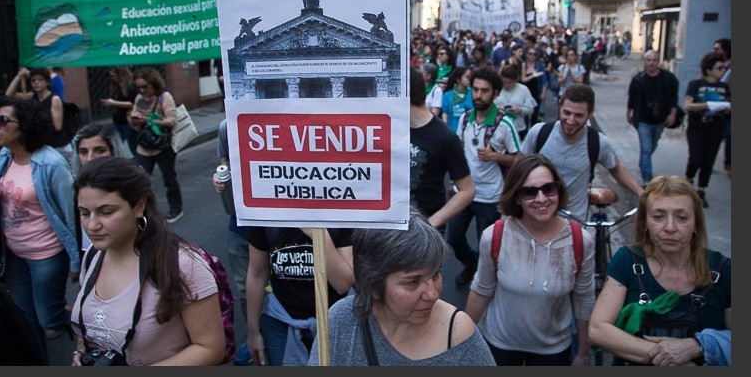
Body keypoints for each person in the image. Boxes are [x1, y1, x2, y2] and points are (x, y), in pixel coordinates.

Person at [70, 156, 224, 366]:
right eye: (84, 213)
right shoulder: (93, 256)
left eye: (106, 212)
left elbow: (210, 348)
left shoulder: (182, 264)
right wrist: (83, 352)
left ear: (139, 206)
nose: (92, 225)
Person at [308, 207, 496, 366]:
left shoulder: (457, 334)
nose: (432, 294)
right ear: (372, 284)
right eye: (413, 281)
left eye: (435, 273)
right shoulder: (342, 320)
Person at [465, 154, 596, 366]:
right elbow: (481, 290)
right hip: (500, 344)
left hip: (554, 348)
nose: (541, 199)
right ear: (516, 196)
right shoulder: (495, 236)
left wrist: (583, 352)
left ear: (558, 190)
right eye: (529, 192)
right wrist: (463, 342)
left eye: (549, 189)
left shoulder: (581, 241)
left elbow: (584, 298)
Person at [588, 175, 731, 366]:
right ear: (645, 223)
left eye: (681, 217)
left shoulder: (724, 271)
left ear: (696, 223)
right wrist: (672, 357)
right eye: (658, 217)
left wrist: (698, 346)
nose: (670, 227)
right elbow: (598, 329)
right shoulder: (626, 260)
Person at [0, 96, 80, 364]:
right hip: (13, 253)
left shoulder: (51, 163)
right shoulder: (4, 156)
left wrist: (75, 260)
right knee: (24, 317)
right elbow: (5, 195)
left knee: (50, 319)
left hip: (46, 255)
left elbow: (70, 213)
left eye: (2, 120)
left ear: (24, 125)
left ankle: (88, 325)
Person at [520, 84, 644, 223]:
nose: (571, 120)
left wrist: (641, 193)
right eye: (567, 113)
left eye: (578, 115)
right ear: (560, 106)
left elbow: (616, 169)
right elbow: (518, 168)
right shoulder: (538, 133)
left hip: (574, 224)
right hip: (536, 220)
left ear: (590, 113)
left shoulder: (598, 142)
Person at [447, 67, 521, 287]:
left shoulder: (505, 124)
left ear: (495, 93)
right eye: (475, 90)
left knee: (486, 244)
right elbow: (460, 152)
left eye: (484, 91)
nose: (478, 95)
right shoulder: (465, 118)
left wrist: (495, 156)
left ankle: (483, 283)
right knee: (454, 238)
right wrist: (454, 182)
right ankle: (473, 265)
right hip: (465, 193)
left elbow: (520, 158)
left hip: (490, 196)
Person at [246, 225, 354, 366]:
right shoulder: (266, 216)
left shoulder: (340, 218)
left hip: (333, 322)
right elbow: (257, 274)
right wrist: (253, 332)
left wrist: (320, 237)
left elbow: (343, 284)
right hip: (281, 320)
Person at [409, 67, 475, 234]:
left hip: (423, 234)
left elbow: (467, 190)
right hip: (392, 229)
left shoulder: (445, 137)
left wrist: (431, 224)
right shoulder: (393, 129)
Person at [211, 118, 252, 365]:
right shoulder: (228, 126)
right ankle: (256, 336)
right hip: (241, 227)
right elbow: (224, 163)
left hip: (283, 229)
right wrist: (220, 178)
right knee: (248, 289)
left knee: (284, 284)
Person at [128, 67, 183, 224]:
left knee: (169, 178)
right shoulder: (139, 98)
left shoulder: (164, 97)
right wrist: (134, 119)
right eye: (139, 87)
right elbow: (134, 119)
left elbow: (172, 120)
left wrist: (150, 120)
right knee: (140, 179)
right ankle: (144, 210)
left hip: (163, 145)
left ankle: (176, 207)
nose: (142, 90)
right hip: (144, 146)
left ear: (153, 83)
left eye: (145, 86)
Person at [70, 123, 134, 255]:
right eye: (83, 152)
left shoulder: (130, 183)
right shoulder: (78, 186)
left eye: (99, 150)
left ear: (113, 151)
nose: (90, 158)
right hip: (89, 253)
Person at [683, 51, 731, 209]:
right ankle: (689, 178)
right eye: (719, 68)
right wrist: (707, 105)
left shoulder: (724, 87)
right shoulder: (696, 85)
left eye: (723, 68)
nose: (722, 71)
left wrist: (725, 108)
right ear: (709, 69)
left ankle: (702, 190)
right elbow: (688, 105)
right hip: (697, 127)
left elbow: (729, 106)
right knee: (696, 157)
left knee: (708, 160)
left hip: (715, 128)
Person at [626, 50, 681, 187]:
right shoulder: (638, 80)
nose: (651, 63)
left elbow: (674, 98)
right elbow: (631, 99)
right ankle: (647, 178)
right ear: (644, 62)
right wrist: (629, 113)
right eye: (648, 60)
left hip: (660, 119)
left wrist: (672, 114)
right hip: (643, 119)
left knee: (652, 145)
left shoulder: (668, 79)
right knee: (645, 148)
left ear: (658, 61)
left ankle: (643, 162)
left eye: (654, 60)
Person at [5, 67, 73, 166]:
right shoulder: (32, 97)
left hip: (59, 146)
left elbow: (57, 126)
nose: (36, 83)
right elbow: (9, 95)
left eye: (40, 80)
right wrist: (19, 76)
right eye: (33, 80)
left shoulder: (54, 99)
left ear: (47, 82)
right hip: (45, 146)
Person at [99, 66, 139, 157]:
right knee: (114, 145)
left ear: (121, 75)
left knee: (134, 147)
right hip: (117, 121)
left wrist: (113, 102)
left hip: (128, 122)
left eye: (114, 76)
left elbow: (132, 104)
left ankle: (140, 166)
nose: (112, 78)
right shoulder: (115, 87)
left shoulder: (130, 86)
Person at [494, 63, 536, 140]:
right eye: (504, 82)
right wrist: (497, 108)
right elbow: (488, 106)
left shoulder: (524, 89)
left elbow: (531, 109)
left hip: (518, 128)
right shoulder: (496, 89)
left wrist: (520, 110)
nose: (506, 85)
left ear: (515, 80)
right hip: (497, 127)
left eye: (509, 83)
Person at [712, 38, 731, 177]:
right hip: (715, 107)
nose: (715, 51)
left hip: (728, 107)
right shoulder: (712, 62)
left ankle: (728, 162)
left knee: (730, 135)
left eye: (717, 49)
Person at [440, 66, 474, 133]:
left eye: (470, 77)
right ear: (458, 79)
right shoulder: (447, 95)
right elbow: (445, 114)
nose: (469, 79)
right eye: (467, 77)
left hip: (469, 131)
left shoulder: (473, 93)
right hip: (452, 131)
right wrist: (446, 130)